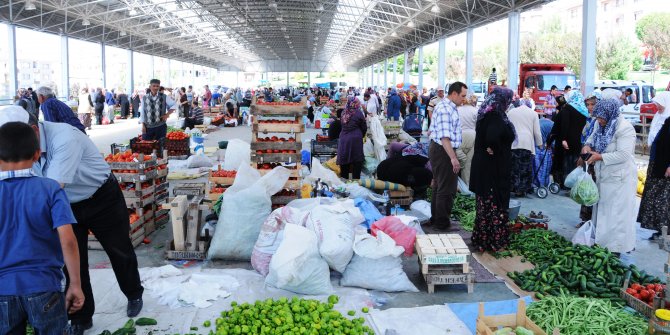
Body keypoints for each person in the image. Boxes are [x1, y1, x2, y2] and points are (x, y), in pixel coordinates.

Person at [0, 106, 144, 334]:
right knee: (72, 264)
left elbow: (51, 187)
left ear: (34, 130)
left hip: (99, 197)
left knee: (119, 249)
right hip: (65, 206)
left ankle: (134, 293)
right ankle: (81, 317)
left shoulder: (64, 137)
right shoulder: (22, 150)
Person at [0, 121, 84, 335]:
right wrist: (75, 284)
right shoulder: (50, 189)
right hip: (44, 286)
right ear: (37, 154)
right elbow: (68, 240)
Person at [582, 98, 637, 255]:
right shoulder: (600, 124)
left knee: (616, 216)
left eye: (601, 117)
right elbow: (592, 138)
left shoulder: (625, 128)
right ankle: (602, 246)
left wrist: (600, 157)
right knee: (604, 213)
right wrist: (587, 145)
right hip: (604, 175)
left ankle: (616, 250)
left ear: (610, 114)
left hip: (620, 178)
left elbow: (624, 154)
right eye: (597, 117)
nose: (599, 120)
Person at [469, 87, 516, 252]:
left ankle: (482, 239)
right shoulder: (495, 116)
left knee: (485, 205)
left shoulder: (486, 113)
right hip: (492, 169)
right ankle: (493, 241)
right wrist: (495, 148)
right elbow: (492, 137)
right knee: (493, 203)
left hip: (484, 167)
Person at [428, 81, 468, 231]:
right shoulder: (446, 108)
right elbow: (445, 137)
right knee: (447, 188)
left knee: (439, 186)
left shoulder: (448, 107)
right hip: (443, 150)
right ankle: (442, 224)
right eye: (462, 96)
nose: (464, 99)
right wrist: (453, 157)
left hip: (440, 149)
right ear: (454, 93)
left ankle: (436, 220)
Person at [638, 92, 670, 234]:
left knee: (663, 200)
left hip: (666, 167)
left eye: (660, 105)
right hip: (657, 163)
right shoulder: (666, 120)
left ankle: (664, 231)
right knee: (655, 197)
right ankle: (658, 229)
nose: (658, 108)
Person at [508, 97, 543, 197]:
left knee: (513, 167)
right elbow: (537, 132)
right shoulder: (533, 114)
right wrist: (540, 144)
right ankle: (521, 190)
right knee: (524, 168)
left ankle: (512, 187)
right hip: (526, 143)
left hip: (513, 143)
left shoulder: (511, 112)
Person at [577, 91, 602, 226]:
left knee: (592, 190)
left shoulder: (600, 121)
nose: (590, 107)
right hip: (588, 157)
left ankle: (592, 221)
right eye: (588, 104)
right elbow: (586, 140)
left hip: (595, 159)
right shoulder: (590, 119)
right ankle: (585, 219)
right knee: (586, 189)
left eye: (593, 104)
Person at [559, 90, 588, 188]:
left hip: (569, 139)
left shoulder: (568, 108)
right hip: (580, 139)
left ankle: (568, 184)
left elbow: (565, 125)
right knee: (577, 161)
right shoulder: (584, 109)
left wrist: (563, 139)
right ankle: (576, 184)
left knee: (568, 161)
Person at [337, 97, 367, 179]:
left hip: (344, 138)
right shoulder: (358, 113)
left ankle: (344, 179)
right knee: (357, 159)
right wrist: (362, 135)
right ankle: (356, 180)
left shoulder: (343, 112)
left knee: (344, 157)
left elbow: (342, 124)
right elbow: (364, 127)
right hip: (355, 138)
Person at [456, 91, 478, 185]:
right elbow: (478, 125)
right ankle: (466, 186)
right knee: (468, 164)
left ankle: (456, 184)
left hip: (459, 135)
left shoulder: (457, 110)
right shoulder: (476, 110)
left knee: (457, 158)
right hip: (473, 135)